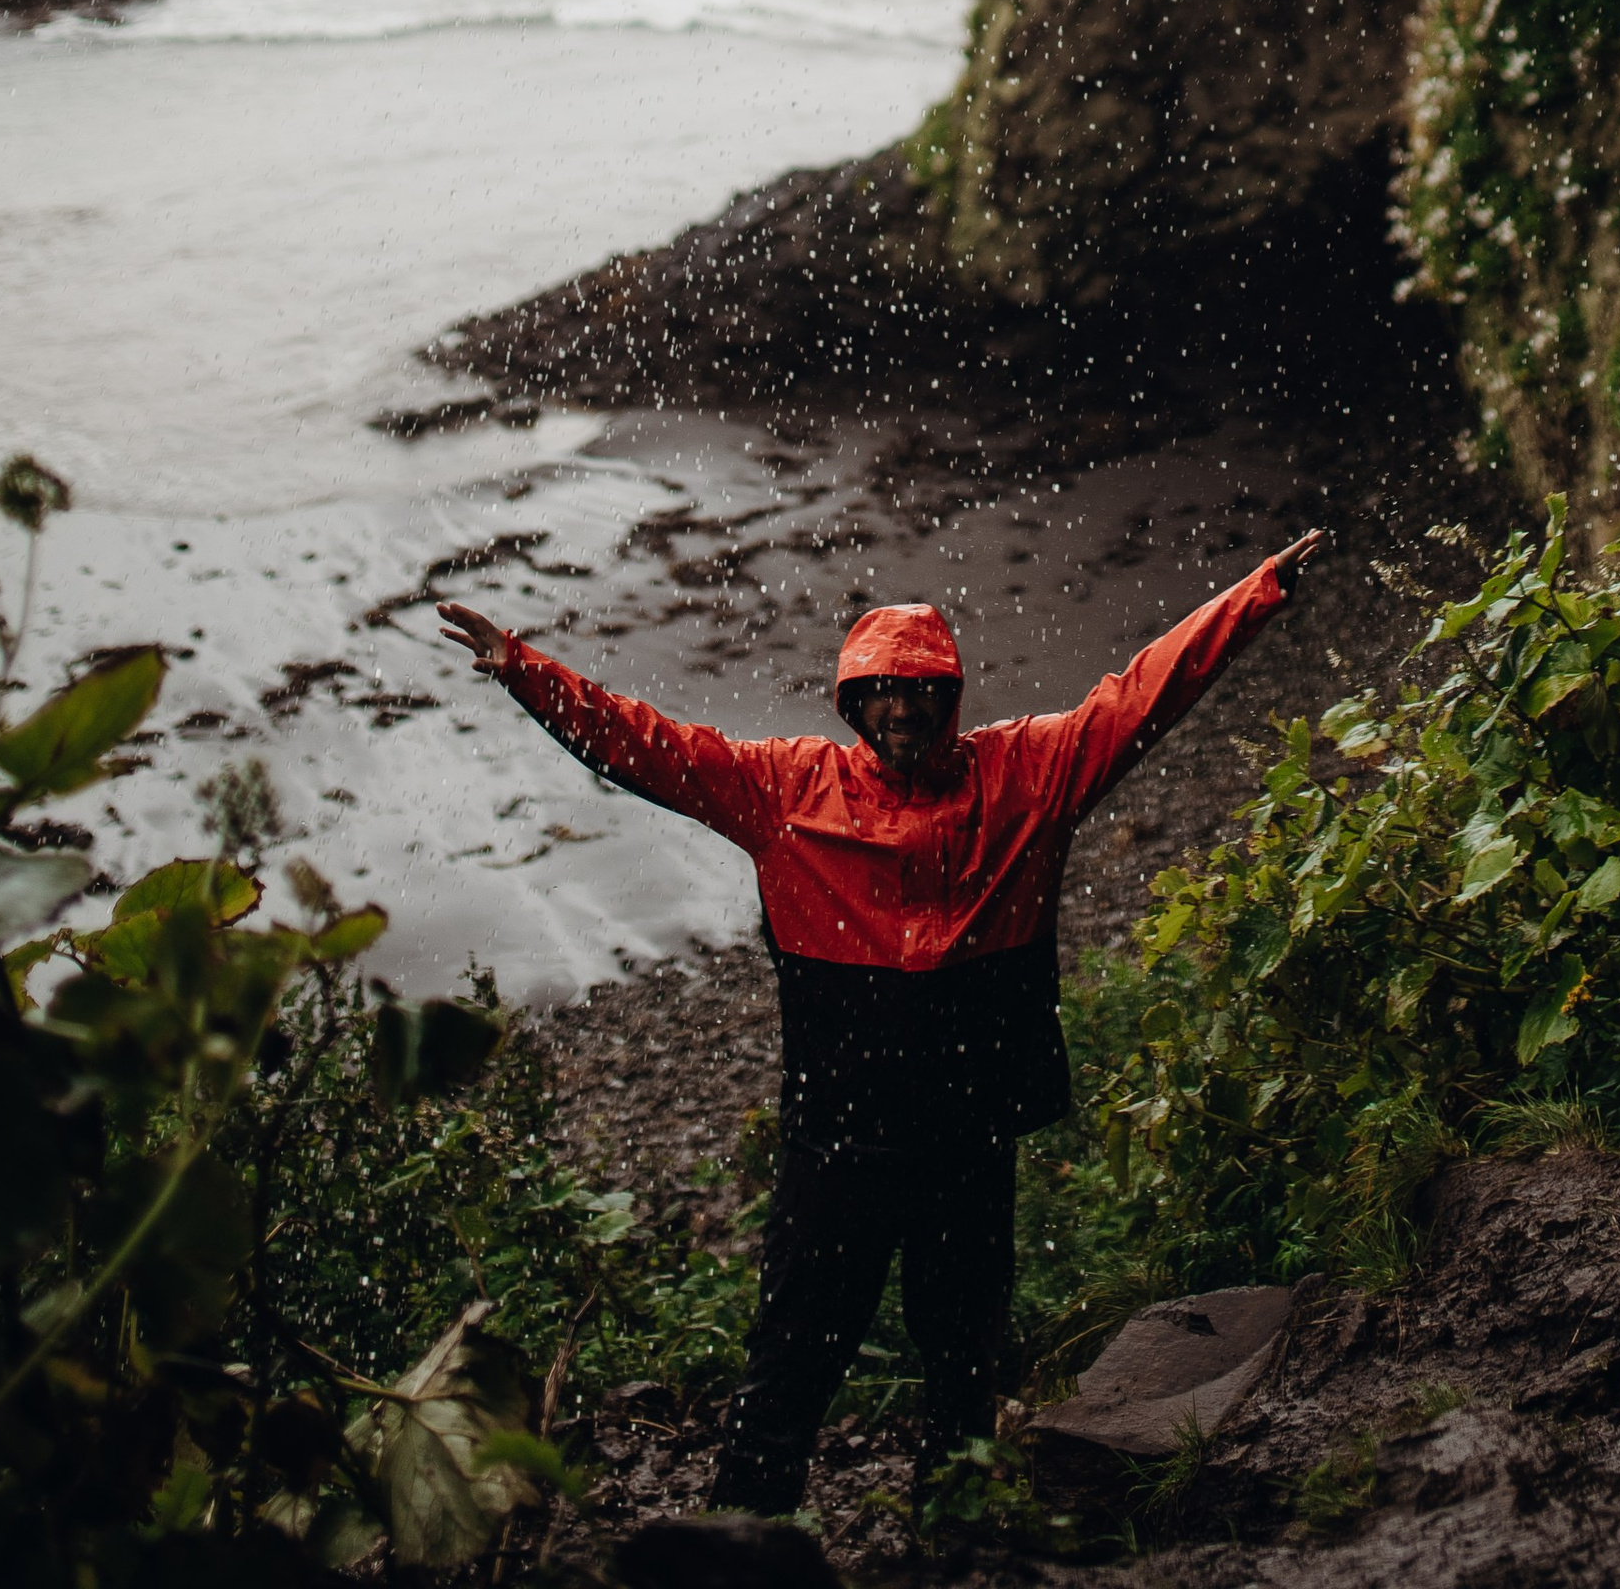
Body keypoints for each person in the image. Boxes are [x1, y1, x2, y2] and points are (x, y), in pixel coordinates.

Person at [438, 526, 1321, 1516]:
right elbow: (651, 748)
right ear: (853, 705)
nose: (902, 710)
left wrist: (1257, 591)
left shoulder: (1031, 774)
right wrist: (526, 671)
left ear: (951, 698)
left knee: (962, 1346)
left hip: (969, 1137)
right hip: (839, 1142)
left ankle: (950, 1527)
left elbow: (1143, 691)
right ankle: (740, 1538)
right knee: (794, 1348)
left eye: (922, 691)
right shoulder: (783, 790)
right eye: (882, 694)